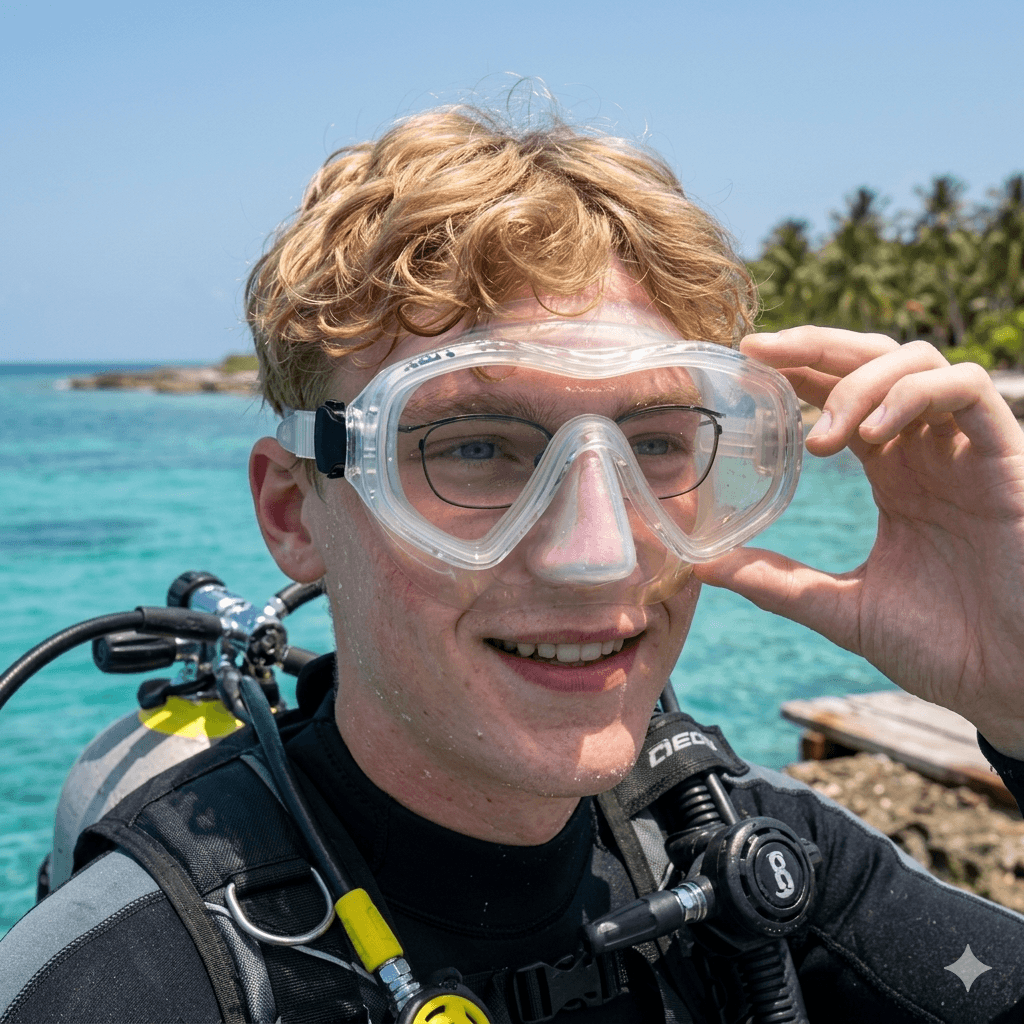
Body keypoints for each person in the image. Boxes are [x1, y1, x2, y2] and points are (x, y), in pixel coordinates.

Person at [2, 103, 1024, 1024]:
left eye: (658, 444)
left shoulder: (742, 852)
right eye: (476, 448)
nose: (600, 551)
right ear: (293, 511)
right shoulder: (118, 980)